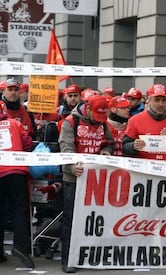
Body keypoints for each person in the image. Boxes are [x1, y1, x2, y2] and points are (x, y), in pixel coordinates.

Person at [59, 95, 114, 273]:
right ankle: (68, 259)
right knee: (71, 219)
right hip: (73, 178)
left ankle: (90, 256)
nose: (99, 121)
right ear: (88, 109)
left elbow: (109, 142)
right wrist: (71, 165)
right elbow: (66, 147)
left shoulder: (103, 123)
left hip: (95, 179)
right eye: (96, 117)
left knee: (94, 219)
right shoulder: (70, 122)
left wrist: (106, 151)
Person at [0, 108, 34, 268]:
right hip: (17, 171)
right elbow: (27, 143)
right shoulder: (15, 123)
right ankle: (21, 247)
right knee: (20, 210)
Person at [122, 84, 166, 160]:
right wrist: (133, 146)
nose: (161, 104)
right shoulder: (135, 120)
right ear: (149, 100)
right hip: (144, 168)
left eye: (163, 100)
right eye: (157, 100)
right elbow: (125, 146)